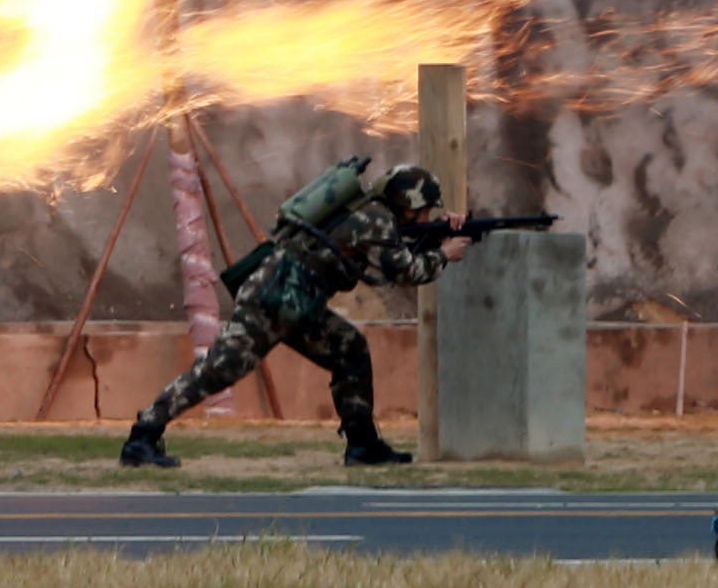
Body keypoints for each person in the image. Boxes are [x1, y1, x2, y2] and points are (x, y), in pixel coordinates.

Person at [118, 158, 465, 470]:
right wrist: (445, 254)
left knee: (340, 350)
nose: (426, 218)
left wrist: (436, 236)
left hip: (283, 297)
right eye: (425, 212)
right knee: (231, 366)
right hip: (281, 300)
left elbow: (392, 248)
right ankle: (144, 433)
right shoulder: (376, 220)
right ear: (408, 205)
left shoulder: (369, 212)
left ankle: (363, 444)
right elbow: (405, 271)